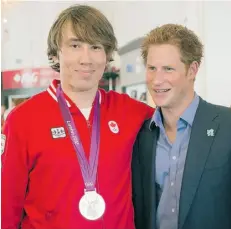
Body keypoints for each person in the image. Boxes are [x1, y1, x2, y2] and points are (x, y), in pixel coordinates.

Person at [1, 5, 154, 229]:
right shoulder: (23, 120)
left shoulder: (132, 112)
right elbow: (7, 208)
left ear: (107, 55)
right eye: (75, 45)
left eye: (95, 47)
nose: (86, 59)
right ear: (56, 53)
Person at [132, 24, 231, 229]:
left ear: (192, 70)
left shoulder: (226, 125)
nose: (157, 80)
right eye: (152, 69)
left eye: (168, 69)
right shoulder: (141, 135)